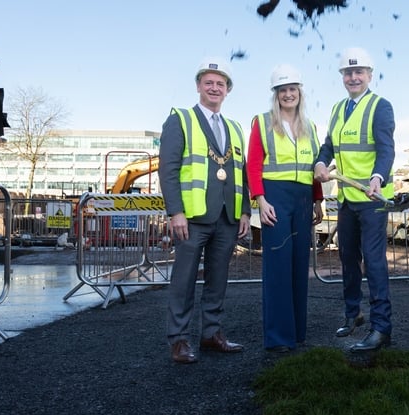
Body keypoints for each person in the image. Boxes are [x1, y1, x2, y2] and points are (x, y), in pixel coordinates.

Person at [159, 57, 251, 364]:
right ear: (198, 86)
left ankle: (211, 333)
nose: (214, 88)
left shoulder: (235, 128)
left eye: (220, 84)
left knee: (218, 279)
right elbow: (168, 170)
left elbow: (242, 172)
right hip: (192, 217)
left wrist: (246, 213)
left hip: (227, 217)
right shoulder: (180, 120)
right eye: (208, 82)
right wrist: (176, 212)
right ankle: (179, 340)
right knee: (184, 280)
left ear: (228, 91)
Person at [313, 47, 396, 352]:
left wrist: (378, 178)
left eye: (359, 72)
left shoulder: (380, 106)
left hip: (372, 198)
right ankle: (353, 314)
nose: (353, 77)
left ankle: (381, 327)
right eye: (348, 73)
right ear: (342, 77)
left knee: (374, 263)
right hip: (347, 199)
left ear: (369, 76)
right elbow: (328, 147)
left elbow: (386, 149)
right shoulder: (337, 109)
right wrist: (321, 163)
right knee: (348, 260)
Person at [247, 64, 324, 353]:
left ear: (300, 93)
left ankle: (297, 332)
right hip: (275, 198)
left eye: (292, 89)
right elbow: (253, 164)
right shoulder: (263, 122)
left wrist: (318, 199)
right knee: (278, 266)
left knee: (298, 266)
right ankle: (279, 337)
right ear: (276, 94)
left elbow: (314, 167)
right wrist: (260, 200)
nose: (288, 94)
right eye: (283, 90)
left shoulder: (311, 126)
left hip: (303, 199)